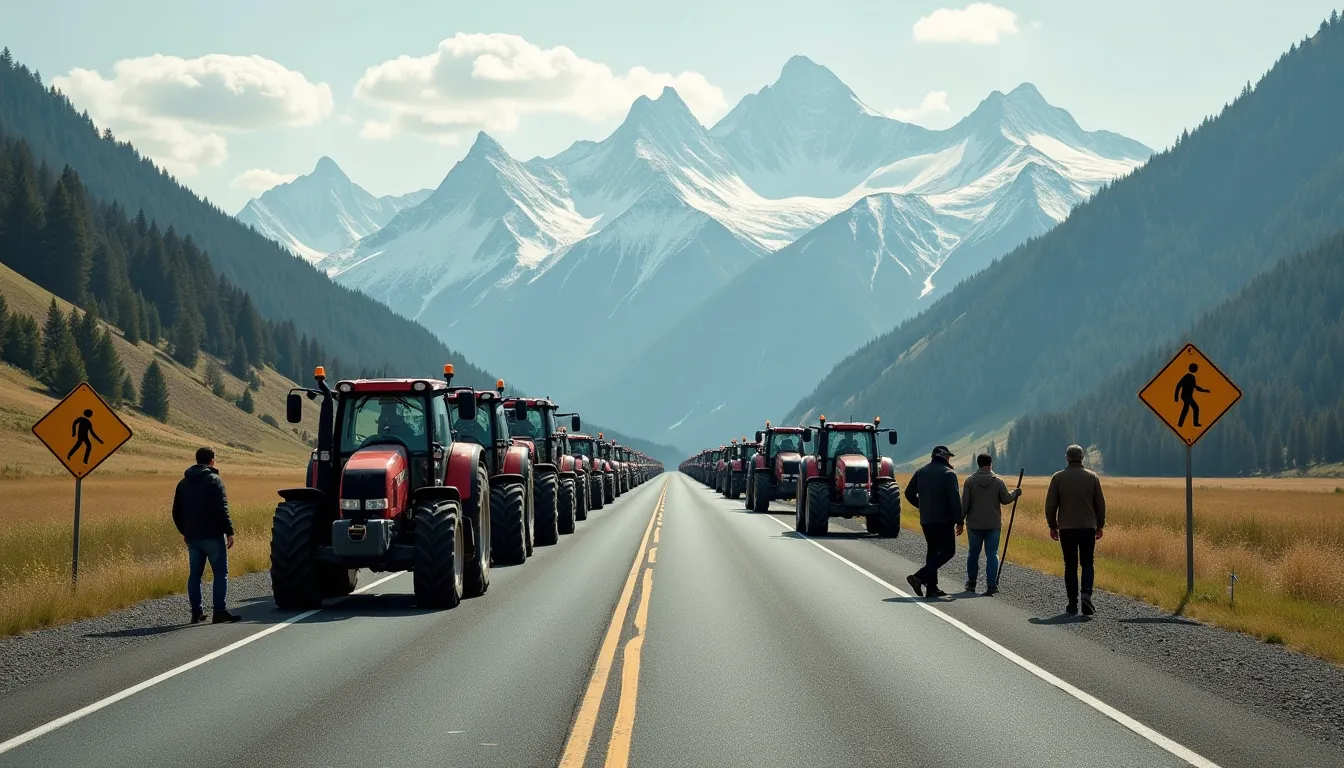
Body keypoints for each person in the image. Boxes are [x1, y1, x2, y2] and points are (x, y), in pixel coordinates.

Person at [171, 447, 240, 624]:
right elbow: (222, 509)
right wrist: (229, 532)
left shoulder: (182, 483)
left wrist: (184, 531)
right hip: (212, 536)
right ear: (212, 461)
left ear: (196, 460)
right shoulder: (214, 480)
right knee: (220, 573)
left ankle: (196, 613)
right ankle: (219, 611)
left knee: (195, 575)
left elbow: (176, 512)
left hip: (193, 537)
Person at [1045, 444, 1106, 616]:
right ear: (1082, 457)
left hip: (1066, 527)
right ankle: (1086, 593)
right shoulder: (1092, 477)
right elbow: (1100, 504)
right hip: (1088, 526)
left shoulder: (1058, 478)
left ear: (1067, 458)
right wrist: (1100, 525)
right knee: (1087, 562)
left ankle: (1072, 603)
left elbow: (1050, 505)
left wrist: (1052, 525)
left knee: (1070, 564)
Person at [904, 446, 963, 598]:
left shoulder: (921, 472)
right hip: (944, 520)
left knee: (933, 552)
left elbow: (908, 493)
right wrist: (959, 520)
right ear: (944, 457)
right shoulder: (949, 474)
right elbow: (954, 500)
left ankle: (931, 588)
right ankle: (919, 577)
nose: (950, 459)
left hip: (926, 520)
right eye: (949, 456)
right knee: (948, 551)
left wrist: (921, 506)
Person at [961, 453, 1021, 595]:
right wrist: (1015, 493)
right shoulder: (998, 481)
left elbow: (964, 504)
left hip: (974, 524)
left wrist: (959, 521)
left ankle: (971, 583)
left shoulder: (970, 481)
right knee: (992, 554)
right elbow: (1006, 499)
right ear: (990, 464)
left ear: (978, 464)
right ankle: (991, 585)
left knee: (973, 552)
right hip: (993, 524)